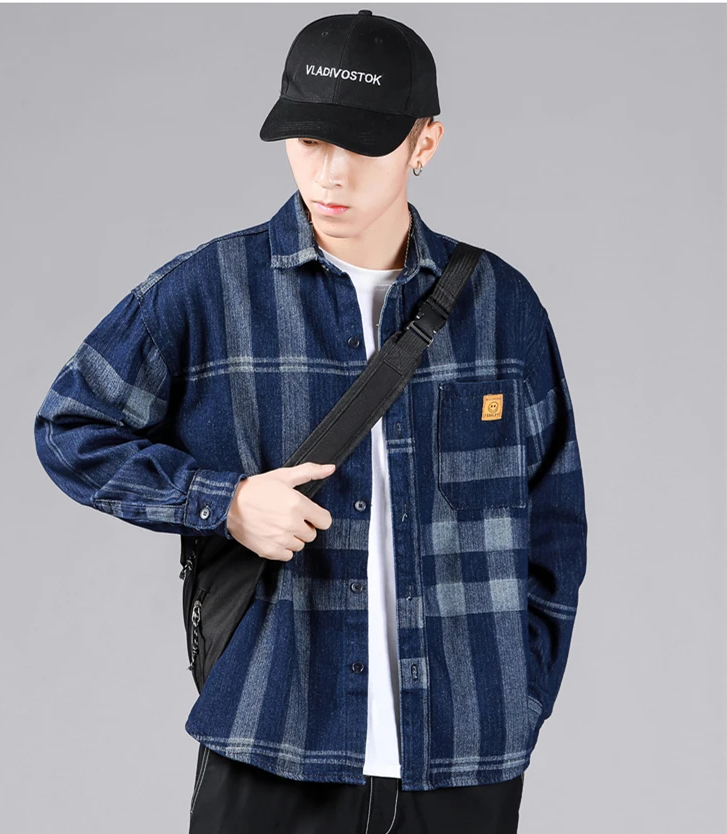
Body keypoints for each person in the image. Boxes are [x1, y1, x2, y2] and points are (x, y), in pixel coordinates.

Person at [34, 9, 587, 834]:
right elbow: (70, 427)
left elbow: (553, 526)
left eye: (361, 147)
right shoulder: (210, 291)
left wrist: (520, 696)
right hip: (272, 743)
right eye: (307, 142)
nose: (329, 175)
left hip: (464, 760)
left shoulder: (500, 307)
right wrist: (222, 502)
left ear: (424, 142)